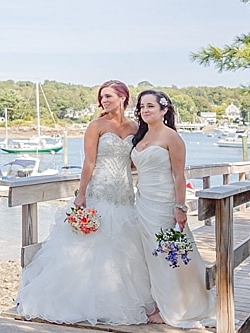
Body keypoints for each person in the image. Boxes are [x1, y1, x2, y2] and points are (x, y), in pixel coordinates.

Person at [16, 80, 154, 325]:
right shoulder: (96, 126)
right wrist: (81, 194)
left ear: (123, 97)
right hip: (99, 191)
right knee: (89, 248)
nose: (104, 101)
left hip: (124, 194)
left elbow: (134, 161)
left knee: (123, 248)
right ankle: (81, 302)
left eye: (109, 96)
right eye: (102, 97)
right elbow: (89, 162)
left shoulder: (135, 127)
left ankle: (115, 301)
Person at [131, 90, 215, 327]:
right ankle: (158, 301)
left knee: (168, 255)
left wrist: (181, 207)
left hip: (165, 203)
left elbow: (179, 175)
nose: (145, 110)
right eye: (142, 106)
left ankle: (173, 307)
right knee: (149, 255)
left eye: (150, 106)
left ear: (163, 110)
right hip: (143, 202)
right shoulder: (141, 136)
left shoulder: (172, 137)